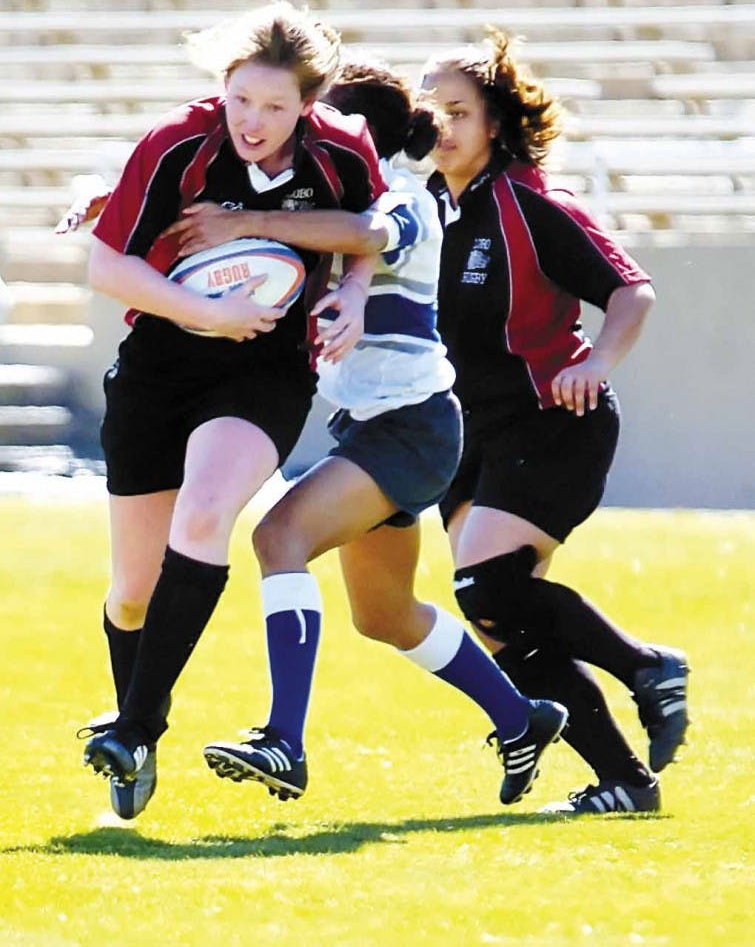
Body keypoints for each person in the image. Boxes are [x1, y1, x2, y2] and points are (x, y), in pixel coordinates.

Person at [160, 58, 568, 807]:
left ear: (356, 133)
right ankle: (523, 717)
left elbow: (367, 233)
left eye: (321, 124)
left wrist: (250, 222)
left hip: (410, 429)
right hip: (377, 428)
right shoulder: (337, 193)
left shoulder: (406, 196)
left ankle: (284, 742)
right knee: (383, 614)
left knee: (276, 538)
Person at [75, 1, 389, 820]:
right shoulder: (175, 140)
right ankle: (135, 728)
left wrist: (352, 298)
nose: (253, 121)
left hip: (265, 368)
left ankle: (136, 728)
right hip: (159, 365)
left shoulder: (342, 149)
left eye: (275, 106)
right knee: (132, 593)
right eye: (241, 99)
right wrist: (204, 313)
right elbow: (107, 267)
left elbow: (366, 234)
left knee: (209, 512)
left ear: (307, 106)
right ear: (223, 88)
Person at [408, 29, 689, 815]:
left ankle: (645, 667)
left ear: (494, 121)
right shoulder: (428, 207)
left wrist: (595, 361)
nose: (444, 128)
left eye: (459, 111)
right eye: (431, 114)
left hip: (552, 421)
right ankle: (626, 784)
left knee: (487, 583)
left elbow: (631, 292)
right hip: (471, 434)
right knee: (496, 617)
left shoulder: (529, 202)